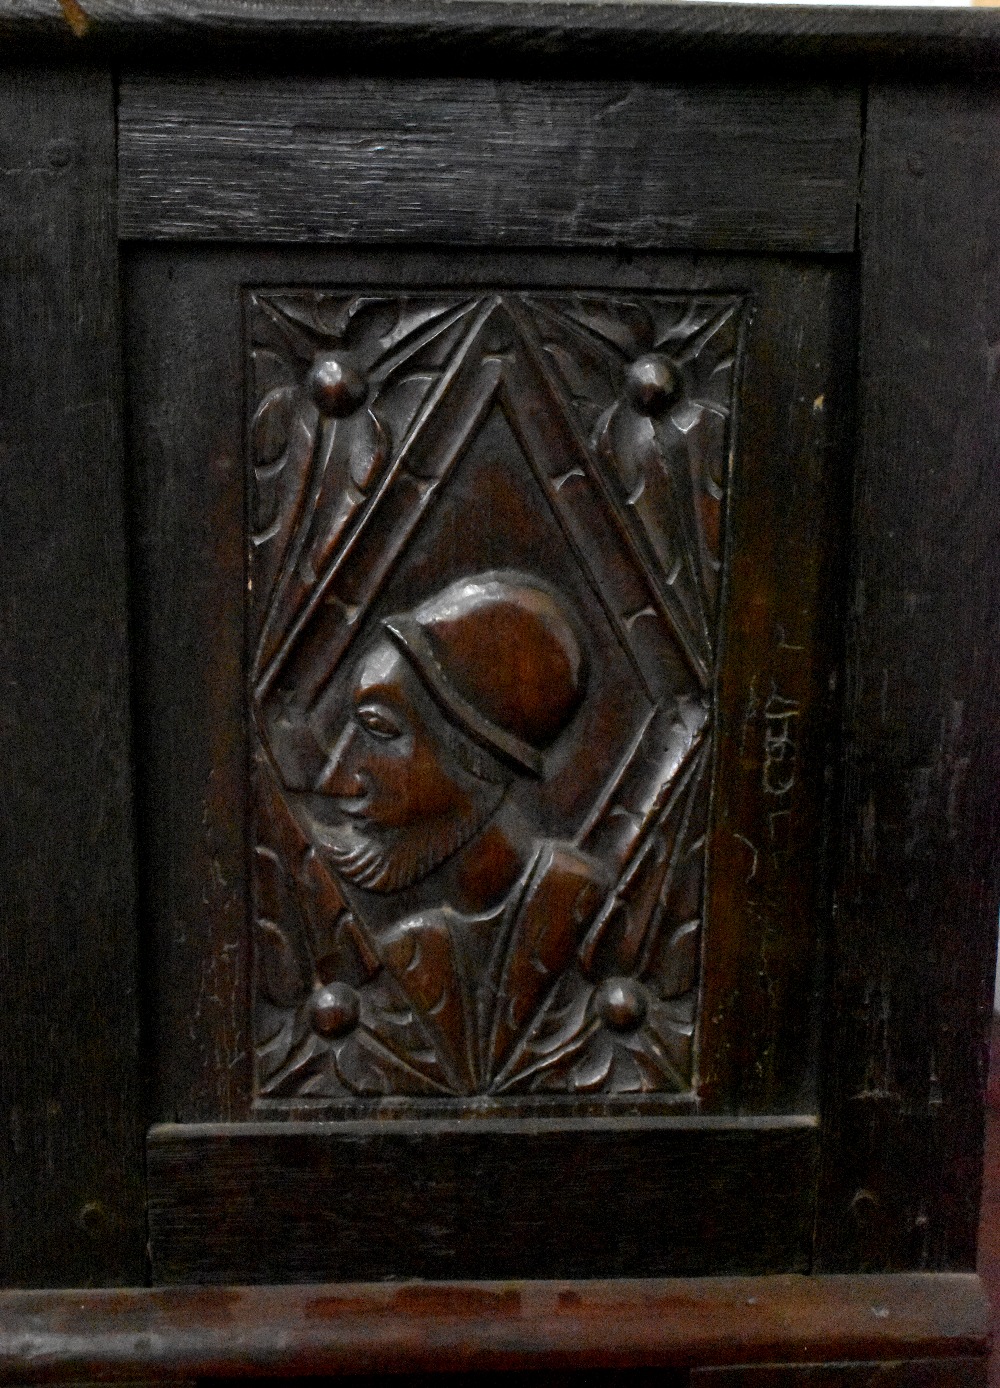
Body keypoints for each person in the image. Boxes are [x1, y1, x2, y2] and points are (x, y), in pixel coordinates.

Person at [290, 571, 610, 1095]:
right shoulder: (411, 953)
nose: (340, 779)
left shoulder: (591, 910)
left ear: (476, 761)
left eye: (379, 730)